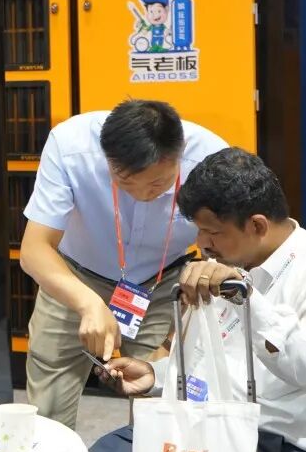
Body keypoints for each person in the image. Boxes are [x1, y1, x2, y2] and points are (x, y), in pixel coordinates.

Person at [89, 147, 306, 452]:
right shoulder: (222, 261)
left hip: (277, 442)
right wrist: (155, 375)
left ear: (257, 225)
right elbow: (207, 360)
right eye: (199, 230)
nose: (203, 243)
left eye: (212, 232)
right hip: (196, 426)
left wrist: (245, 297)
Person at [20, 99, 226, 428]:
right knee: (48, 405)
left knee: (158, 398)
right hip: (73, 277)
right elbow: (34, 250)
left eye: (158, 184)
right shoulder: (70, 146)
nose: (142, 194)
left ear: (180, 154)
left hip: (161, 283)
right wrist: (88, 303)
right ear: (107, 157)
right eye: (125, 181)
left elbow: (228, 241)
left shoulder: (211, 158)